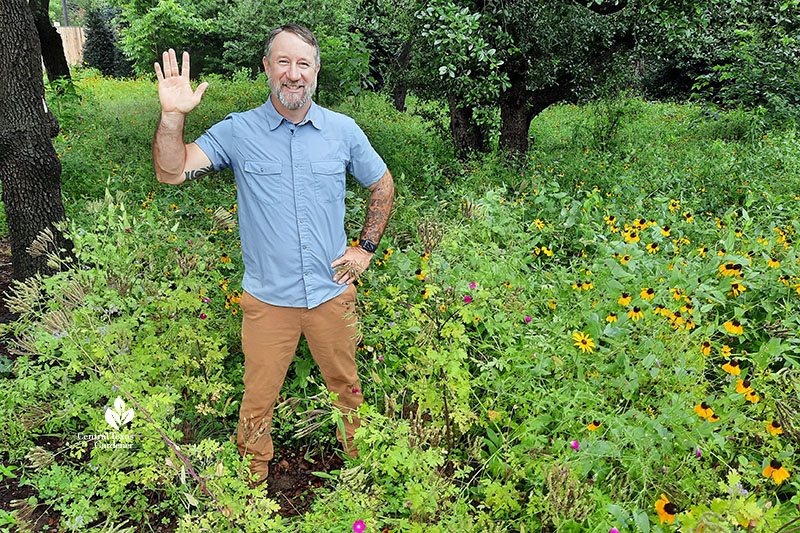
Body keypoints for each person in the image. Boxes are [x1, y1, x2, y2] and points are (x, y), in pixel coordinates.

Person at [151, 23, 394, 486]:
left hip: (332, 294)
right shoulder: (239, 131)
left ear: (316, 71)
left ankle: (363, 473)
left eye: (303, 63)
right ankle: (251, 484)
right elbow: (172, 170)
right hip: (267, 302)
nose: (293, 73)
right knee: (258, 399)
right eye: (283, 62)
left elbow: (381, 183)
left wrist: (365, 248)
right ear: (267, 67)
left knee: (347, 389)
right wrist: (171, 116)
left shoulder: (342, 131)